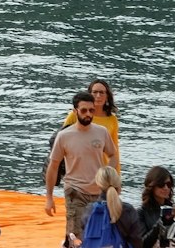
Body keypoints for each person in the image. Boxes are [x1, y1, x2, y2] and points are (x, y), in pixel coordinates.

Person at [48, 89, 123, 242]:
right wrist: (49, 197)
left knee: (98, 234)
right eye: (84, 110)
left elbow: (113, 154)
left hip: (98, 191)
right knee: (76, 235)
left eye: (91, 110)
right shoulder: (64, 136)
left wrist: (107, 172)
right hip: (75, 190)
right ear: (75, 111)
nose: (88, 114)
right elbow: (53, 166)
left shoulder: (101, 132)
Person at [65, 79, 122, 150]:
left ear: (107, 96)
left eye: (101, 92)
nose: (98, 96)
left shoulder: (112, 119)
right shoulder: (75, 114)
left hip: (103, 161)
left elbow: (114, 148)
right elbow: (62, 140)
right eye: (95, 92)